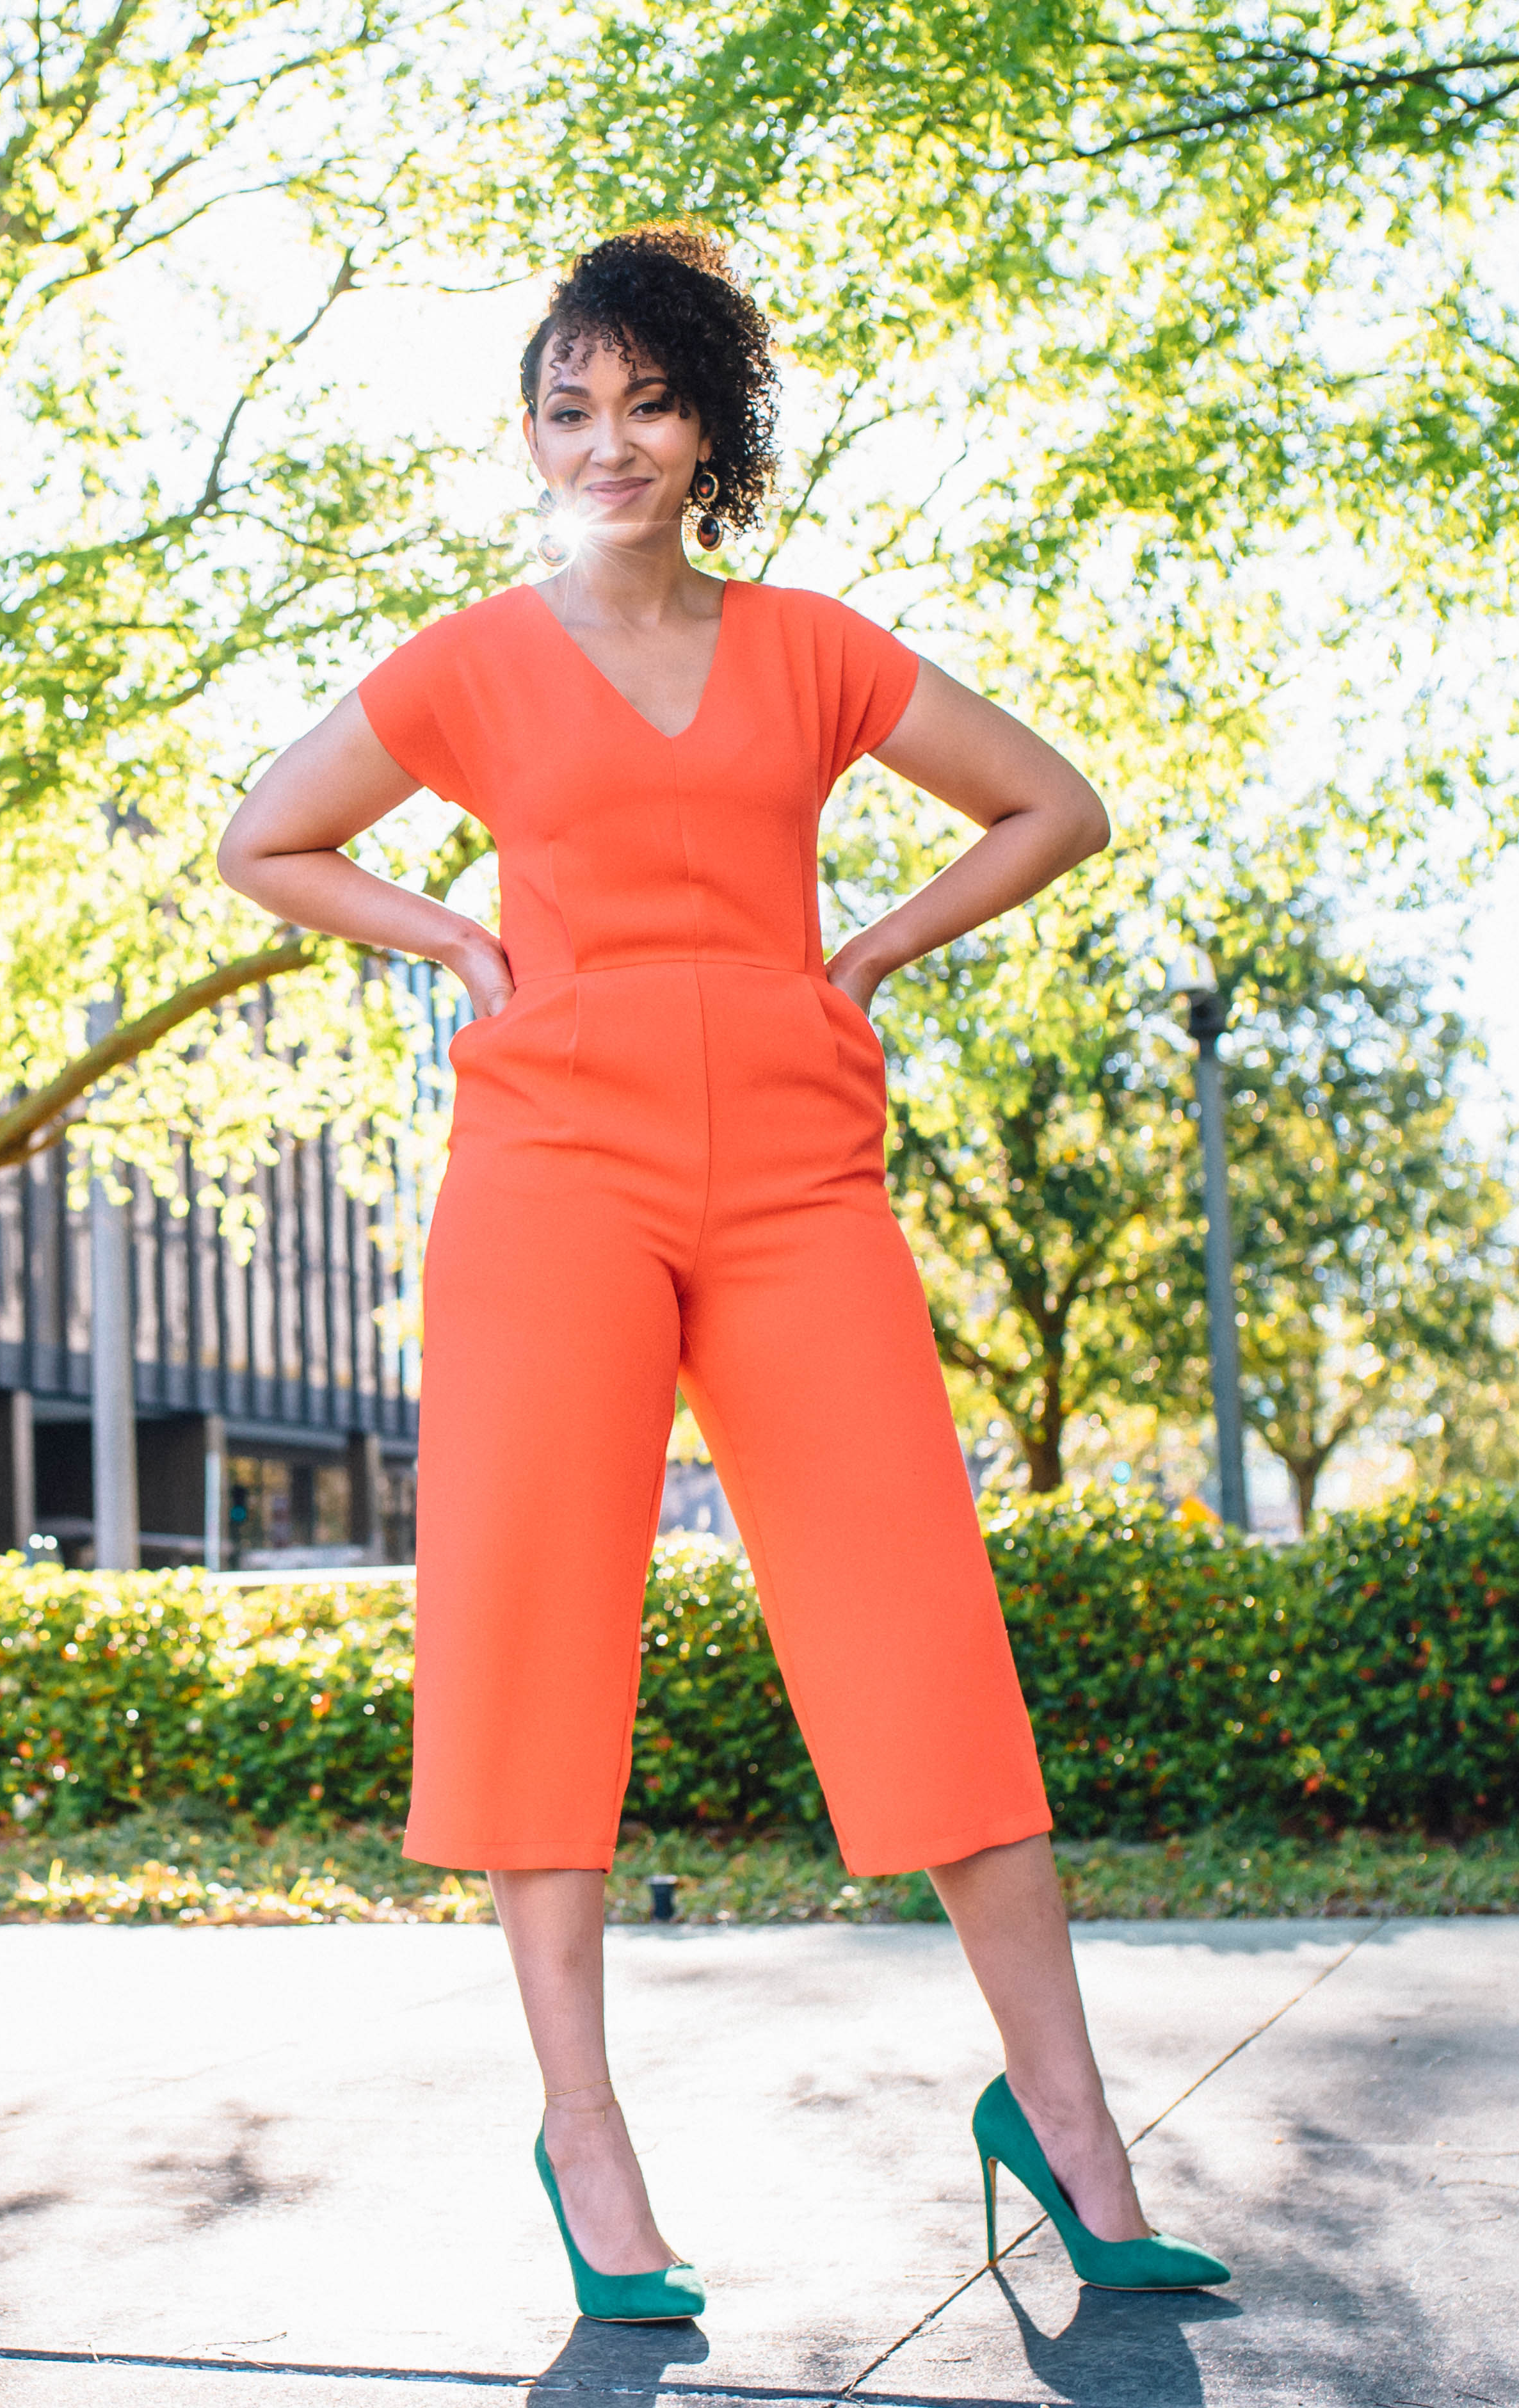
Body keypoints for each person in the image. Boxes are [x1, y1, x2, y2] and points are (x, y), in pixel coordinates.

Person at [217, 225, 1228, 2318]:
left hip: (792, 1170)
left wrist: (867, 951)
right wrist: (458, 938)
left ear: (707, 429)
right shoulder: (467, 665)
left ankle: (1067, 2124)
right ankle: (585, 2137)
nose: (606, 441)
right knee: (536, 1634)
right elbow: (266, 839)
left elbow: (1052, 804)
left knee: (918, 1622)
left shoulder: (813, 650)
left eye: (647, 402)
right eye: (567, 407)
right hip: (550, 1174)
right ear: (529, 435)